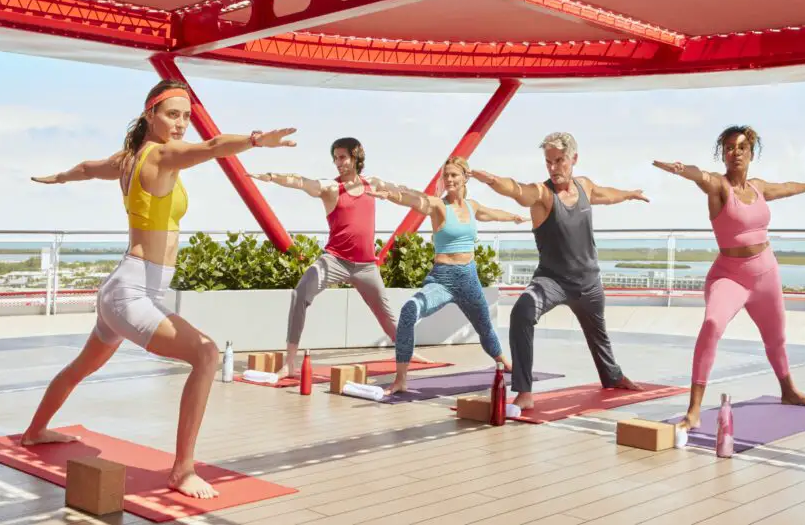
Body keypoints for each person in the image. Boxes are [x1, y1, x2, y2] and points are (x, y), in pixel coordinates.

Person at [22, 79, 296, 499]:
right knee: (206, 353)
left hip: (124, 290)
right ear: (150, 114)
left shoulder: (128, 158)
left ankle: (35, 432)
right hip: (131, 294)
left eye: (186, 116)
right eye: (172, 114)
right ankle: (182, 471)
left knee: (83, 366)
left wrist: (58, 178)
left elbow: (87, 168)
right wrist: (257, 140)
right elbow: (212, 147)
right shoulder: (163, 155)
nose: (181, 123)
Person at [653, 125, 805, 432]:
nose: (735, 153)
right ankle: (694, 410)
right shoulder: (720, 188)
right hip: (730, 277)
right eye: (729, 148)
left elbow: (786, 187)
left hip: (766, 275)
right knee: (711, 324)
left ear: (751, 153)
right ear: (723, 154)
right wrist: (684, 171)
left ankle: (788, 390)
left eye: (741, 148)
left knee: (776, 340)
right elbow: (702, 176)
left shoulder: (760, 187)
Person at [471, 132, 647, 410]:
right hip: (551, 281)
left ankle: (612, 376)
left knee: (598, 335)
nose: (553, 168)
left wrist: (629, 194)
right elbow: (517, 190)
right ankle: (524, 390)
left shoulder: (585, 187)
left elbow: (606, 194)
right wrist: (490, 179)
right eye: (548, 162)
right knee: (522, 313)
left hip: (589, 282)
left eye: (559, 161)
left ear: (573, 159)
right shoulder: (543, 195)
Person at [250, 137, 424, 378]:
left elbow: (401, 190)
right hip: (335, 260)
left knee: (386, 316)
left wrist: (428, 197)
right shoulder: (331, 189)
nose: (338, 162)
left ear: (356, 156)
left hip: (365, 266)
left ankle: (408, 352)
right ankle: (290, 363)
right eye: (335, 158)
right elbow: (302, 182)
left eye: (342, 157)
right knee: (300, 294)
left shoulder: (372, 183)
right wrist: (272, 177)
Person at [365, 156, 529, 395]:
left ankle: (505, 361)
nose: (449, 179)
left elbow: (492, 213)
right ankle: (401, 378)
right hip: (442, 280)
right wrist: (390, 195)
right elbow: (415, 200)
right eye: (446, 175)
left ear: (465, 177)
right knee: (410, 309)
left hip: (469, 278)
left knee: (484, 328)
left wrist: (513, 217)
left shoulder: (472, 207)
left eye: (454, 175)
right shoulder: (439, 206)